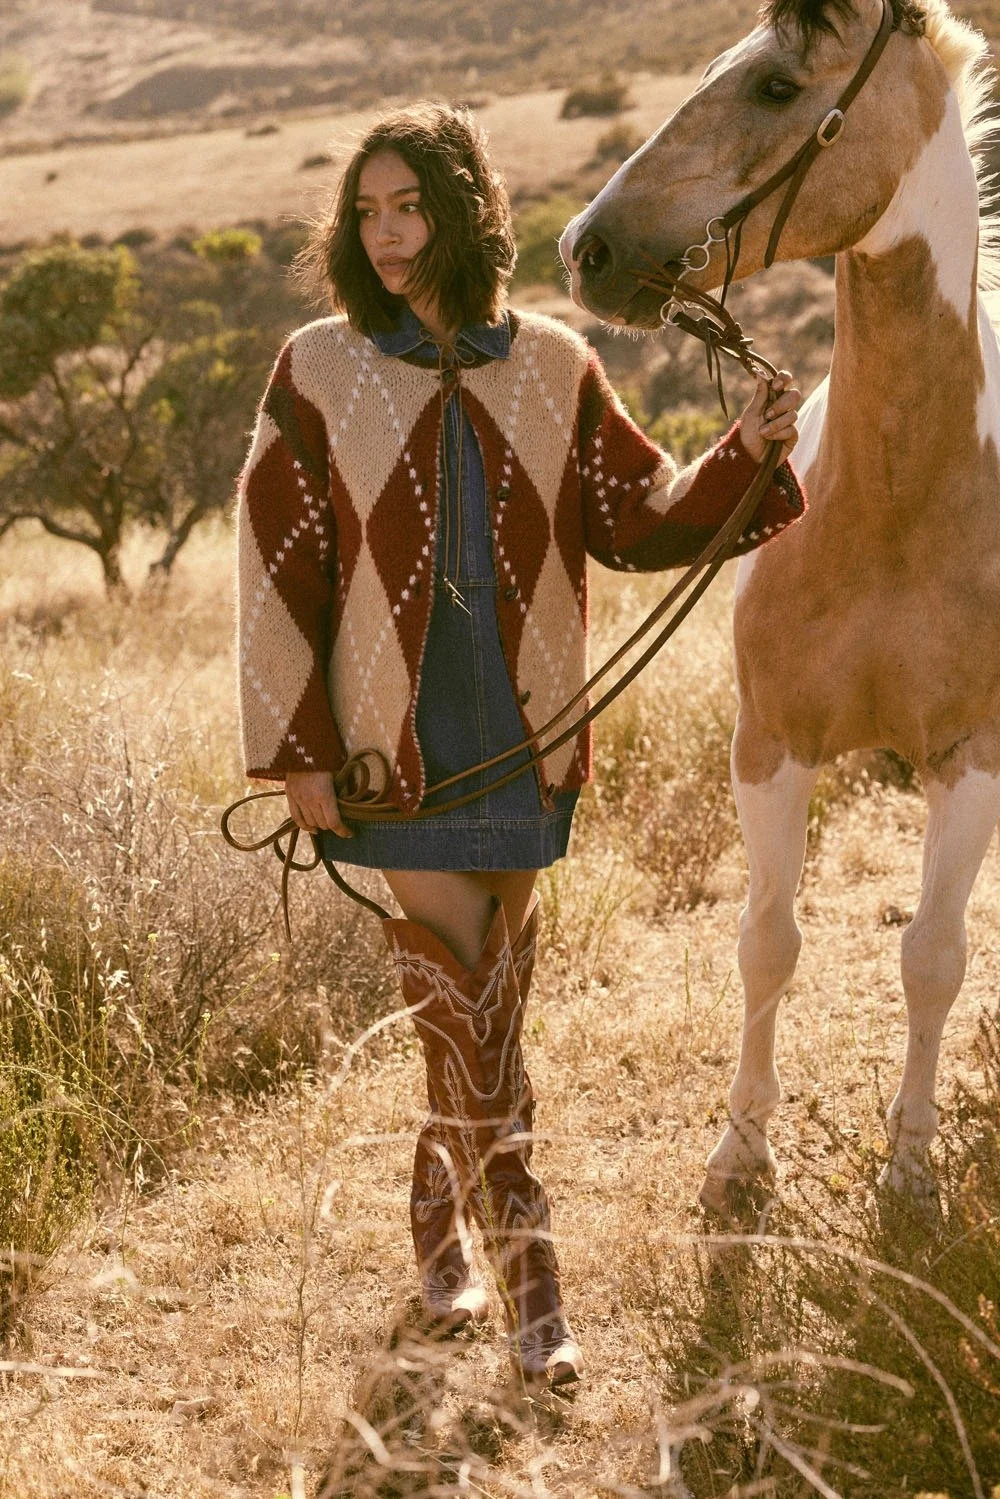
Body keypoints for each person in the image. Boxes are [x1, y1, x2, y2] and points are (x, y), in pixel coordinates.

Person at [236, 102, 804, 1388]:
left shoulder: (553, 364)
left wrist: (745, 452)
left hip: (524, 743)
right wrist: (299, 748)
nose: (385, 234)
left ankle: (439, 1240)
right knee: (468, 1011)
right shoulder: (318, 369)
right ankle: (531, 1284)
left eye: (410, 206)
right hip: (391, 755)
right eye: (366, 210)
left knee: (482, 1010)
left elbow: (637, 513)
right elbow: (276, 568)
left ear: (464, 210)